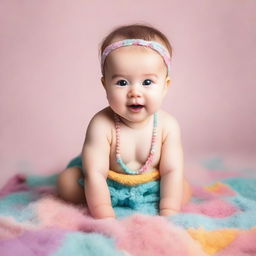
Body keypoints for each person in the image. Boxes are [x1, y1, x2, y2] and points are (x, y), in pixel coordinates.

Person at [57, 24, 191, 219]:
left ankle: (163, 204)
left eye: (147, 82)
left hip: (150, 188)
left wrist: (169, 211)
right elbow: (95, 173)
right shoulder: (101, 125)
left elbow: (171, 170)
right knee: (67, 182)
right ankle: (98, 203)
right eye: (122, 82)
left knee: (182, 187)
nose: (134, 92)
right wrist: (104, 214)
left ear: (165, 86)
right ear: (105, 85)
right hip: (105, 187)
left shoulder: (167, 126)